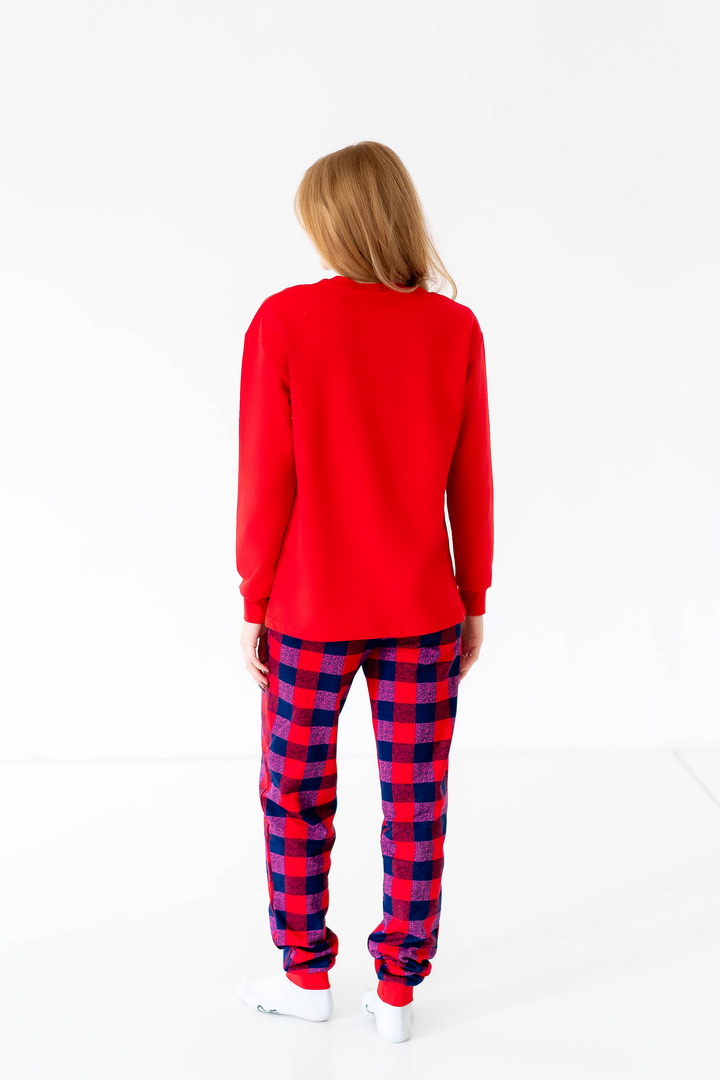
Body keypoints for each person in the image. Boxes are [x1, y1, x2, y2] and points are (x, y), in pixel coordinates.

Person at [234, 140, 494, 1042]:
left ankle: (306, 975)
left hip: (309, 612)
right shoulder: (454, 329)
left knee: (294, 793)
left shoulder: (284, 321)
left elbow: (264, 479)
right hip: (424, 610)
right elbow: (472, 479)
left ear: (330, 221)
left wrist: (253, 601)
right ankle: (397, 996)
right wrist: (474, 597)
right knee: (416, 802)